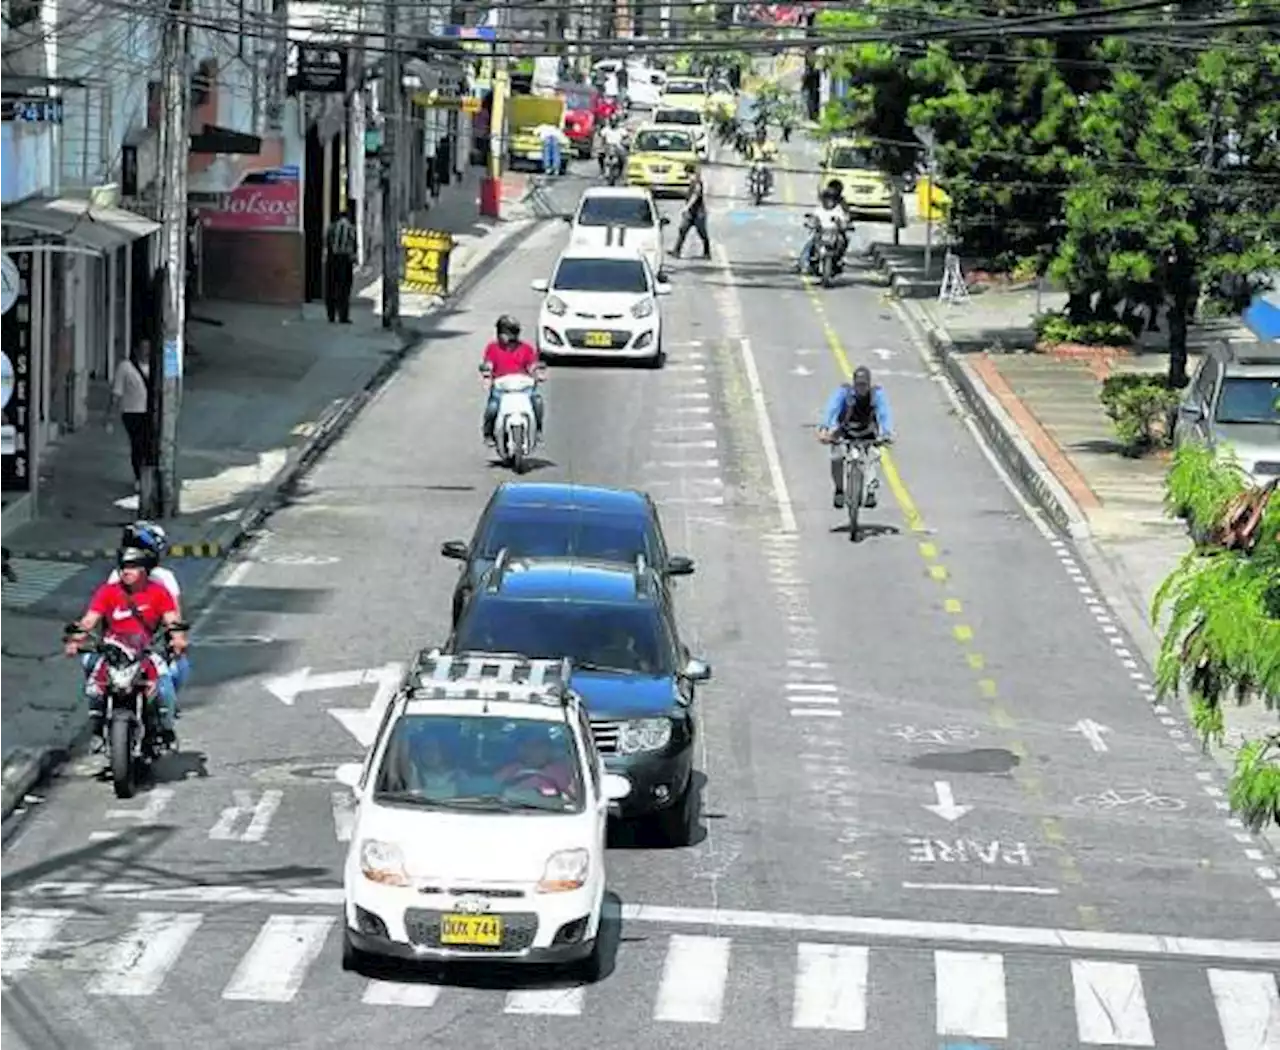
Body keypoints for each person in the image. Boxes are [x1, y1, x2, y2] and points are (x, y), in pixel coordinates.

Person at [65, 546, 188, 745]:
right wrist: (75, 640)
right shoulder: (107, 592)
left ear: (144, 570)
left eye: (132, 566)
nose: (125, 571)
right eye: (123, 567)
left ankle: (166, 729)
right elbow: (89, 620)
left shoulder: (159, 593)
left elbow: (172, 620)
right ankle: (98, 728)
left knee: (164, 689)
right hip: (114, 652)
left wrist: (178, 638)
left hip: (146, 651)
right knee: (94, 686)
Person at [108, 521, 189, 694]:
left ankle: (165, 714)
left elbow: (173, 617)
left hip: (151, 646)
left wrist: (175, 640)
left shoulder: (164, 579)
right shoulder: (116, 577)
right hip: (121, 646)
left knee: (174, 672)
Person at [817, 365, 895, 510]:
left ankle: (870, 491)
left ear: (869, 383)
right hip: (846, 431)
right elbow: (831, 409)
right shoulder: (844, 392)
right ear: (854, 384)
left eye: (864, 385)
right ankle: (839, 490)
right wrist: (824, 428)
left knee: (873, 456)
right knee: (836, 457)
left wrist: (887, 432)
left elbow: (884, 413)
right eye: (858, 385)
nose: (861, 388)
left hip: (868, 432)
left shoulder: (876, 394)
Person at [481, 315, 545, 442]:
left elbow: (532, 364)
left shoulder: (526, 348)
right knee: (492, 407)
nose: (512, 337)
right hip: (501, 386)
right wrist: (487, 376)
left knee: (537, 401)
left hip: (523, 386)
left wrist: (538, 373)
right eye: (508, 333)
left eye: (514, 333)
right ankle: (488, 433)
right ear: (500, 333)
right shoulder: (492, 348)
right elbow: (488, 364)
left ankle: (537, 430)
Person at [107, 342, 151, 496]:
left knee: (149, 445)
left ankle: (147, 476)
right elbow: (116, 393)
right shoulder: (125, 367)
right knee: (138, 444)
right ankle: (139, 476)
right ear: (137, 350)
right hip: (132, 412)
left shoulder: (155, 366)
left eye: (148, 348)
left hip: (150, 413)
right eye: (143, 348)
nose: (146, 351)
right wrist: (111, 417)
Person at [796, 183, 848, 274]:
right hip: (821, 232)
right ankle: (803, 263)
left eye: (831, 199)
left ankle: (839, 258)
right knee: (810, 242)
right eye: (827, 199)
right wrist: (810, 223)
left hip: (834, 233)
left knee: (842, 241)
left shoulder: (839, 209)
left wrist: (843, 225)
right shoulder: (819, 210)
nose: (829, 202)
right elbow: (813, 218)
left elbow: (844, 219)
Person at [325, 205, 358, 324]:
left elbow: (327, 244)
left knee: (331, 287)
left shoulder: (331, 227)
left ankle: (331, 315)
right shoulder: (351, 228)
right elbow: (353, 247)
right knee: (344, 289)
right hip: (345, 260)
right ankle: (343, 316)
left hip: (333, 259)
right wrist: (354, 260)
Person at [670, 165, 710, 260]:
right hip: (691, 213)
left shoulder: (697, 182)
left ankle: (707, 252)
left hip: (698, 213)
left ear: (688, 172)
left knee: (702, 233)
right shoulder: (693, 182)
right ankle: (676, 251)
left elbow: (695, 196)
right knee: (682, 230)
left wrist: (686, 207)